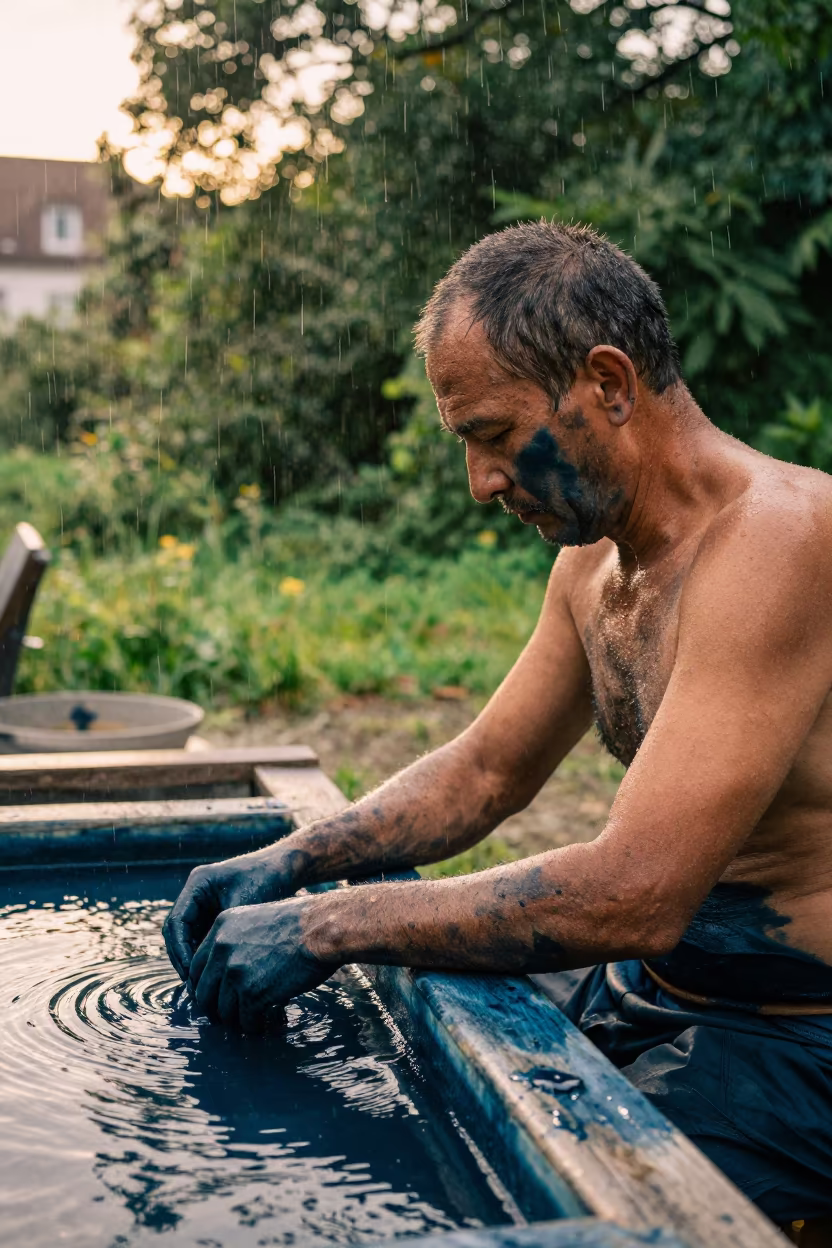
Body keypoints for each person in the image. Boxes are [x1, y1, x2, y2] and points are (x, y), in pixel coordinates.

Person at [163, 221, 832, 1228]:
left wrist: (330, 923)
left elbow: (636, 891)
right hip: (649, 990)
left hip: (794, 1043)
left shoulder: (779, 543)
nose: (480, 483)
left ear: (607, 383)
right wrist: (296, 858)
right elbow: (484, 772)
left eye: (493, 436)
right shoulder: (594, 564)